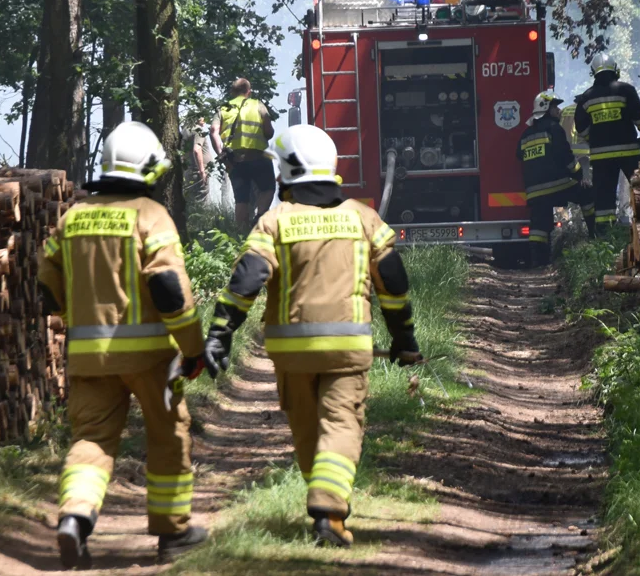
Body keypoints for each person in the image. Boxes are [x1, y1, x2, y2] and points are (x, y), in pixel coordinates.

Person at [203, 124, 423, 548]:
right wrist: (405, 339)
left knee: (307, 432)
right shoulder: (363, 218)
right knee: (341, 427)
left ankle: (326, 503)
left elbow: (247, 279)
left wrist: (220, 334)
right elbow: (392, 282)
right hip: (347, 348)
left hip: (291, 354)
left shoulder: (274, 222)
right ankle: (329, 509)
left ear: (285, 172)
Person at [38, 121, 213, 568]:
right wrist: (193, 348)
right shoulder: (150, 216)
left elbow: (46, 289)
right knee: (169, 436)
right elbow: (170, 291)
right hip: (152, 359)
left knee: (92, 440)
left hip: (88, 358)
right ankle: (172, 534)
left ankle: (75, 517)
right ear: (149, 169)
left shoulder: (73, 217)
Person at [573, 53, 640, 228]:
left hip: (602, 158)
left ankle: (604, 235)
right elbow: (638, 116)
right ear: (615, 69)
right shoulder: (626, 90)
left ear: (594, 72)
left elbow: (581, 127)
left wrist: (593, 138)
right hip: (629, 152)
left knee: (603, 199)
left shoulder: (586, 98)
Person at [519, 92, 595, 267]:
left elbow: (519, 154)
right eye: (555, 107)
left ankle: (538, 261)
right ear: (546, 109)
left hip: (534, 191)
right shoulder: (554, 129)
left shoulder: (525, 134)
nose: (558, 110)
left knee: (539, 223)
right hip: (557, 184)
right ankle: (595, 235)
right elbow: (566, 157)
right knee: (587, 194)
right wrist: (579, 175)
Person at [210, 78, 278, 230]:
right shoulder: (258, 105)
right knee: (268, 189)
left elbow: (213, 131)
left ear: (232, 92)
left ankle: (241, 236)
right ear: (249, 91)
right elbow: (269, 131)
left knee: (241, 199)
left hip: (235, 160)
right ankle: (259, 218)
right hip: (258, 157)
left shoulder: (223, 108)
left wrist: (221, 152)